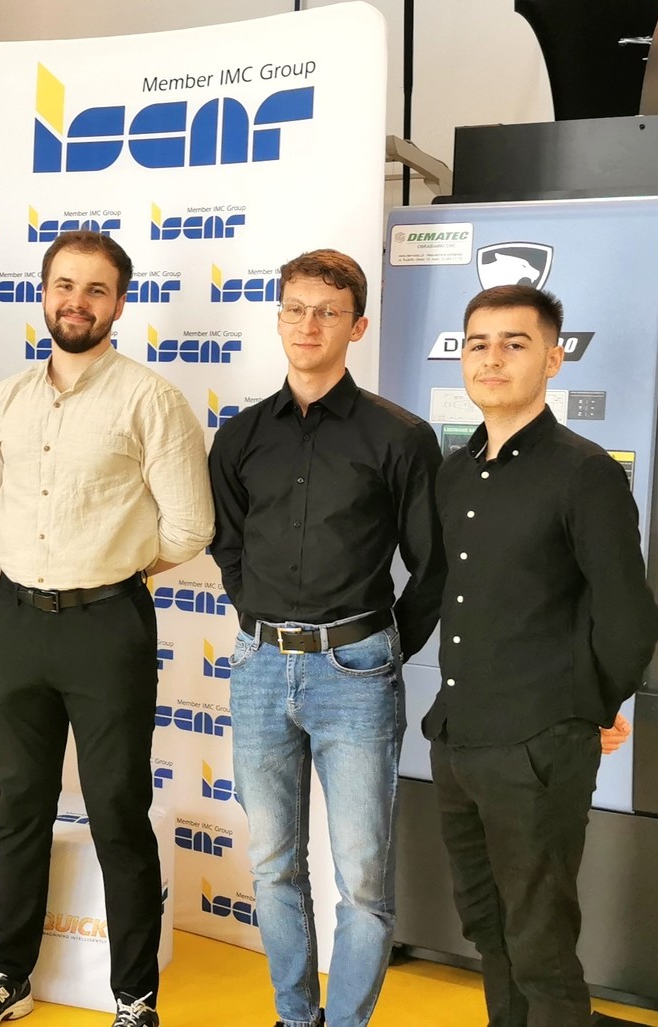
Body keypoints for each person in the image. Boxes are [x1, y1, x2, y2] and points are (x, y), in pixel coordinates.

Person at [0, 230, 213, 1027]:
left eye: (95, 289)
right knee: (20, 806)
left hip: (107, 625)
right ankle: (9, 975)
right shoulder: (3, 400)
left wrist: (114, 563)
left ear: (119, 303)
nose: (77, 301)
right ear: (44, 293)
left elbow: (190, 526)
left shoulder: (152, 400)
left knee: (116, 809)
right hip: (12, 622)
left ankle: (134, 995)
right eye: (64, 285)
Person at [206, 249, 446, 1027]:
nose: (309, 325)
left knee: (363, 881)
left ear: (357, 326)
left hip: (357, 671)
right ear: (279, 318)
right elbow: (229, 545)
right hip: (259, 667)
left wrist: (382, 649)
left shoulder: (400, 436)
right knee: (272, 865)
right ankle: (294, 1015)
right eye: (296, 309)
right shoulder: (240, 436)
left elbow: (433, 564)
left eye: (328, 312)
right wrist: (256, 618)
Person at [427, 284, 658, 1027]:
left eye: (515, 343)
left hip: (537, 743)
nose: (491, 357)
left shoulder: (584, 472)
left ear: (553, 360)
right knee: (487, 928)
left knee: (540, 943)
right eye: (478, 343)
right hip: (458, 738)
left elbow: (630, 616)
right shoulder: (456, 469)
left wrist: (590, 708)